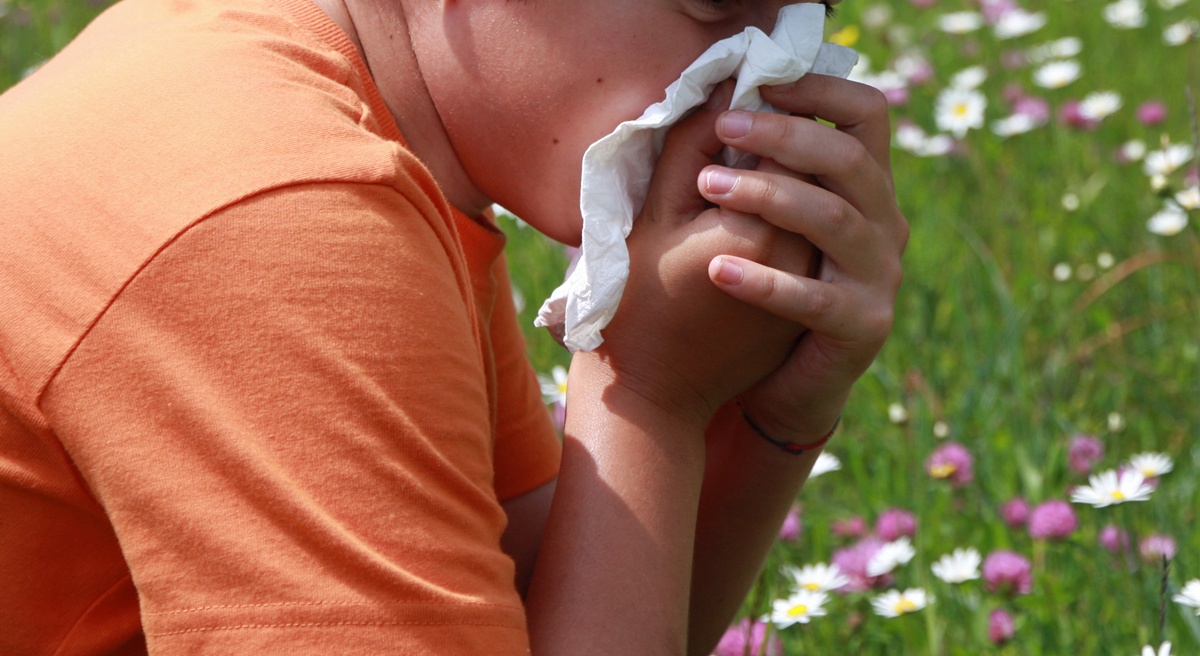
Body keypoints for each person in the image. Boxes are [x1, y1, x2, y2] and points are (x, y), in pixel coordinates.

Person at [0, 0, 906, 653]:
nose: (770, 66)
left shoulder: (291, 98)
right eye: (711, 6)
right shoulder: (281, 211)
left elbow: (530, 603)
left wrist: (768, 415)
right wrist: (648, 396)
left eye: (808, 10)